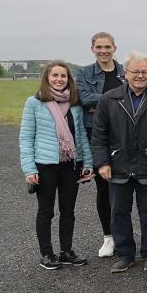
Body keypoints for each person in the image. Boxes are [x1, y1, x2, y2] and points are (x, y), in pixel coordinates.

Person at [91, 52, 147, 273]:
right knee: (119, 213)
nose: (140, 76)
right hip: (118, 164)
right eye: (135, 71)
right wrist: (102, 162)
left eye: (144, 72)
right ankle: (125, 255)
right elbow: (99, 135)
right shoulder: (109, 99)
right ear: (126, 73)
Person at [20, 61, 94, 270]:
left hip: (71, 164)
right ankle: (46, 254)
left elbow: (80, 136)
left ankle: (66, 251)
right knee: (46, 211)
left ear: (68, 79)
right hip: (45, 164)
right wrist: (29, 169)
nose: (59, 79)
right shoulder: (34, 102)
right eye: (55, 76)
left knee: (68, 210)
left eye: (63, 76)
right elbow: (26, 137)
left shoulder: (75, 104)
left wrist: (87, 162)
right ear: (47, 78)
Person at [76, 31, 125, 257]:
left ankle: (125, 235)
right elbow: (84, 98)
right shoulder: (85, 73)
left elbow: (135, 95)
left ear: (115, 48)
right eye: (99, 47)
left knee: (125, 187)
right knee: (104, 188)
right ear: (93, 49)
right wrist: (116, 99)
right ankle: (109, 237)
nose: (103, 51)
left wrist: (101, 101)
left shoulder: (125, 72)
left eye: (107, 47)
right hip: (98, 136)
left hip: (125, 136)